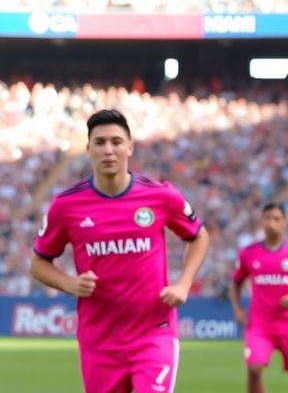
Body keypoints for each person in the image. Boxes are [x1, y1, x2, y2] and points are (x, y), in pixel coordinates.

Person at [30, 109, 210, 393]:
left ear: (130, 146)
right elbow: (39, 263)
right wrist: (69, 283)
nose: (108, 150)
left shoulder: (160, 196)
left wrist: (184, 283)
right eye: (100, 142)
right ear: (88, 149)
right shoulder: (66, 206)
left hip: (154, 334)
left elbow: (199, 237)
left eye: (116, 141)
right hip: (99, 341)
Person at [230, 203, 288, 393]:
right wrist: (237, 309)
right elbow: (236, 282)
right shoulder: (248, 253)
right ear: (261, 221)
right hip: (259, 325)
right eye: (268, 218)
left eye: (277, 218)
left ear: (285, 222)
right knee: (254, 370)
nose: (272, 223)